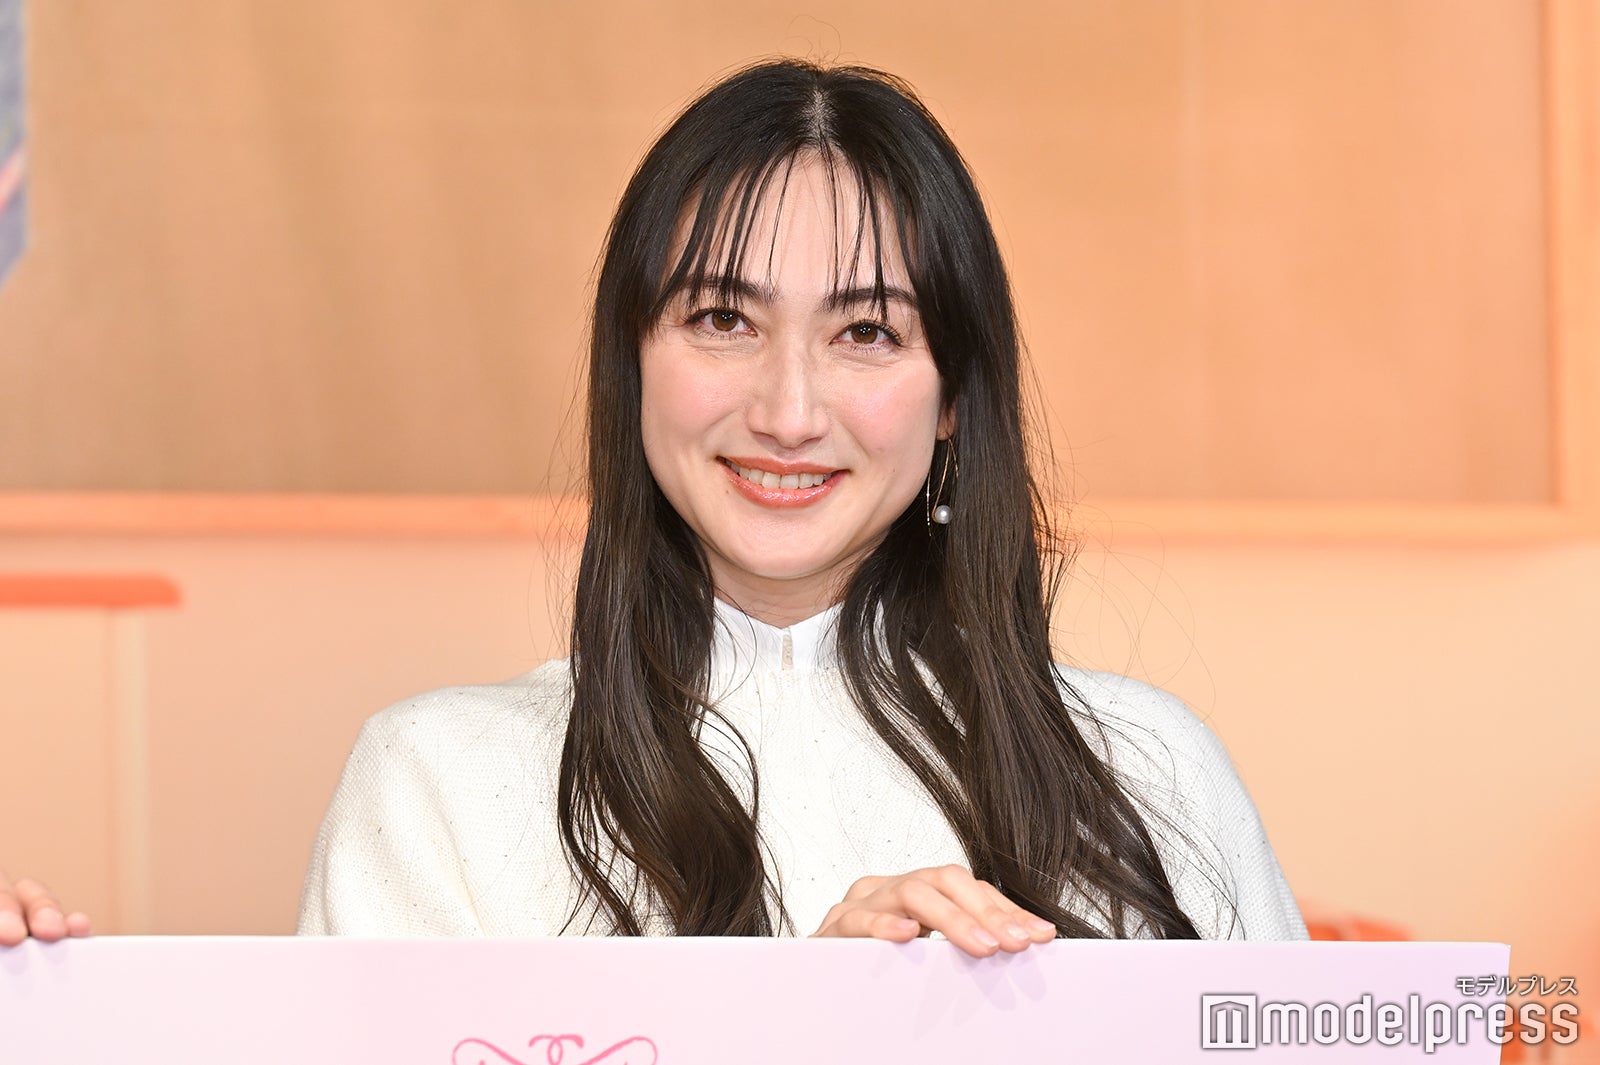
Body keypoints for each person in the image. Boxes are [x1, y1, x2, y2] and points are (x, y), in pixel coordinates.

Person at [0, 59, 1306, 955]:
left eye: (866, 331)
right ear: (632, 362)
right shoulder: (437, 782)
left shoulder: (1149, 774)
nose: (788, 409)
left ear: (955, 395)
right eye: (723, 318)